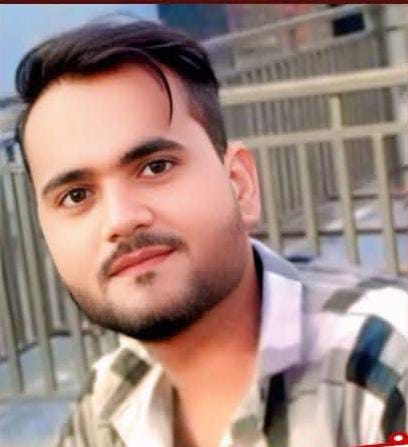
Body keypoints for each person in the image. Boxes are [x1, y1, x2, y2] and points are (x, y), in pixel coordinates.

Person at [15, 19, 407, 447]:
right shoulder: (106, 406)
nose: (121, 219)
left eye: (155, 167)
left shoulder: (383, 364)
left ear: (239, 183)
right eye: (75, 196)